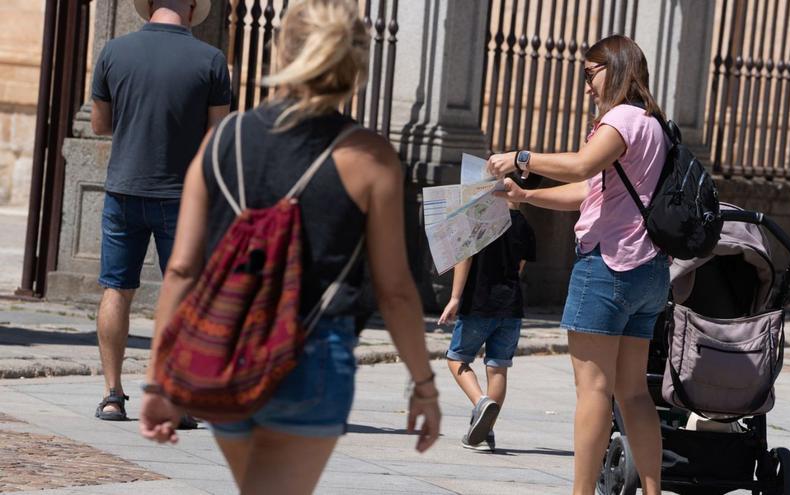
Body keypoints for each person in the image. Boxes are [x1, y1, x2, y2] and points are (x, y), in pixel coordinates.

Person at [138, 0, 441, 493]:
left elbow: (181, 271)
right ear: (355, 62)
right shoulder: (369, 157)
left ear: (283, 50)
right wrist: (423, 387)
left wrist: (158, 380)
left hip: (225, 351)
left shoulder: (221, 140)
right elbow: (396, 291)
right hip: (313, 353)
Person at [487, 35, 670, 495]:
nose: (587, 85)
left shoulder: (619, 120)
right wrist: (526, 195)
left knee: (593, 391)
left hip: (607, 267)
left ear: (616, 68)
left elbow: (581, 166)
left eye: (591, 74)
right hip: (649, 271)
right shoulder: (655, 124)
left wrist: (521, 158)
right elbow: (590, 191)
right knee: (632, 393)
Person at [90, 0, 231, 422]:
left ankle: (113, 395)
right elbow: (218, 136)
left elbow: (99, 123)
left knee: (116, 289)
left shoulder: (114, 51)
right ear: (192, 8)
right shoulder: (211, 60)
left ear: (148, 5)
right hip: (182, 197)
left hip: (123, 190)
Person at [437, 176, 538, 453]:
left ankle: (480, 402)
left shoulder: (477, 219)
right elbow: (519, 268)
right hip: (511, 306)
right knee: (498, 368)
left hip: (478, 303)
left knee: (456, 358)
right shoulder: (525, 227)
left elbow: (464, 258)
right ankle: (484, 430)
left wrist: (455, 297)